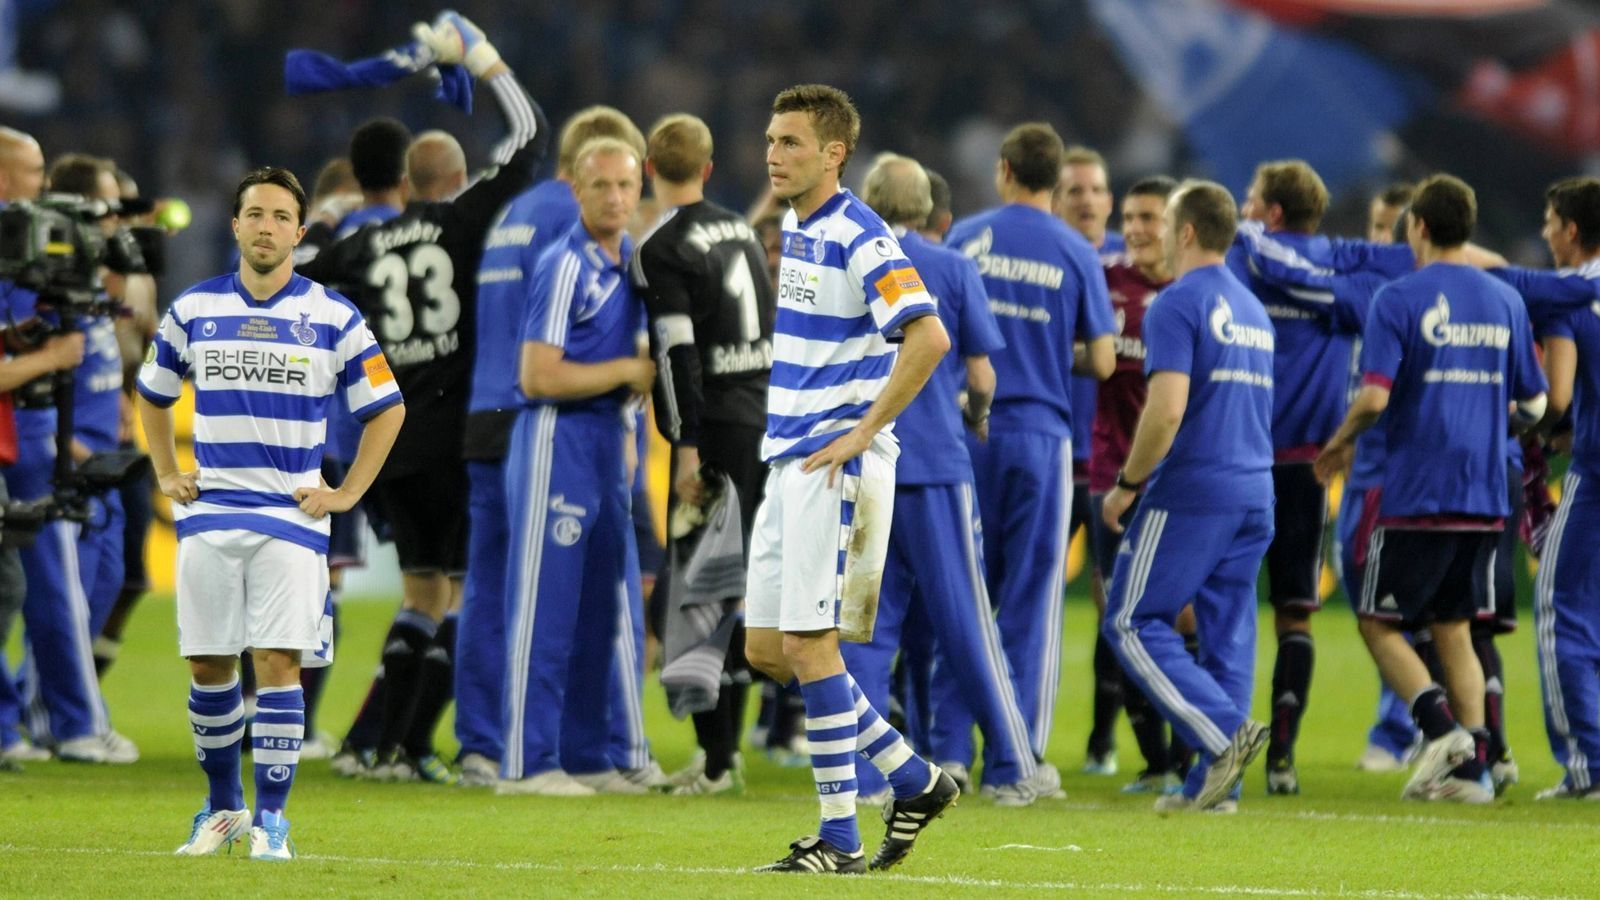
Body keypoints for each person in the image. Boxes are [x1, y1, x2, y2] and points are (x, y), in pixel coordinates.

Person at [299, 11, 548, 783]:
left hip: (390, 442)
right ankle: (408, 747)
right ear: (444, 181)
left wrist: (335, 210)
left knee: (418, 595)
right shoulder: (463, 223)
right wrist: (487, 65)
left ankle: (383, 749)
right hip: (458, 437)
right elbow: (529, 140)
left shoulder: (365, 241)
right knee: (461, 596)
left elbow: (299, 267)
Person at [138, 166, 405, 859]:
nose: (267, 227)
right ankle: (223, 808)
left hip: (291, 517)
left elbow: (387, 407)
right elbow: (153, 394)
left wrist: (345, 495)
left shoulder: (332, 316)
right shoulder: (193, 310)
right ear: (235, 225)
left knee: (277, 661)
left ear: (299, 229)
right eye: (255, 214)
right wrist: (167, 470)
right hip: (211, 514)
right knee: (208, 667)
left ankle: (274, 820)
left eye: (281, 217)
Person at [744, 83, 955, 874]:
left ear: (835, 154)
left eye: (791, 142)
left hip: (835, 466)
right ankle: (912, 777)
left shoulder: (858, 234)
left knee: (810, 643)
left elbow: (927, 337)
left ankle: (838, 840)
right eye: (770, 139)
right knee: (769, 647)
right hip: (789, 459)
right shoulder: (799, 230)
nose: (773, 153)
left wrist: (865, 431)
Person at [1315, 174, 1547, 804]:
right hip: (1484, 493)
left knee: (1376, 622)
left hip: (1419, 492)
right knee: (1453, 627)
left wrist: (1339, 443)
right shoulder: (1505, 301)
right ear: (1467, 229)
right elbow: (1536, 399)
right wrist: (1491, 419)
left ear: (1416, 226)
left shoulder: (1399, 297)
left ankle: (1442, 733)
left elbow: (1374, 396)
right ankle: (1474, 773)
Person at [459, 106, 655, 789]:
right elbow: (536, 374)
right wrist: (627, 374)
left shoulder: (629, 259)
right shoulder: (563, 261)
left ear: (640, 189)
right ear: (577, 189)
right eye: (601, 186)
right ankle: (526, 760)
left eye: (626, 187)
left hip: (608, 441)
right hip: (553, 437)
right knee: (544, 604)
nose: (615, 198)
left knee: (602, 608)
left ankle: (587, 755)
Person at [838, 151, 1041, 806]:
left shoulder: (849, 261)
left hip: (865, 469)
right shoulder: (952, 266)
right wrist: (975, 419)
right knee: (967, 624)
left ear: (868, 201)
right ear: (928, 209)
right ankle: (1011, 767)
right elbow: (981, 376)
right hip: (934, 467)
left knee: (865, 627)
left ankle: (868, 778)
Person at [939, 124, 1115, 788]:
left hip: (967, 431)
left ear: (1004, 170)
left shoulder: (967, 238)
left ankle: (950, 750)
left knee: (964, 591)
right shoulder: (1076, 251)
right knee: (1030, 599)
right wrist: (1046, 347)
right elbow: (1101, 358)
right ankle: (1015, 761)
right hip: (1042, 435)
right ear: (1057, 177)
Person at [1230, 160, 1413, 794]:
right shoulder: (1351, 276)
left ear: (1272, 213)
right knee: (1295, 616)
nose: (1245, 207)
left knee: (1210, 607)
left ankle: (1203, 748)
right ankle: (1281, 759)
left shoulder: (1239, 264)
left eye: (1252, 198)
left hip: (1237, 457)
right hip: (1310, 464)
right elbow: (1399, 265)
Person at [1100, 179, 1276, 814]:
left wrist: (1126, 485)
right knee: (1228, 631)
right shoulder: (1253, 311)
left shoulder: (1177, 304)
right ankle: (1214, 785)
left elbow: (1167, 411)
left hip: (1196, 487)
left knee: (1130, 619)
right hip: (1256, 488)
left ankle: (1224, 733)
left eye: (1168, 225)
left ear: (1189, 232)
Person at [630, 113, 773, 795]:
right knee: (735, 589)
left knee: (697, 596)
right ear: (709, 168)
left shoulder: (661, 247)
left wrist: (685, 448)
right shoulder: (741, 230)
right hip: (762, 419)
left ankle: (716, 763)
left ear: (648, 169)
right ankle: (726, 757)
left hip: (713, 428)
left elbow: (677, 354)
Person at [1489, 176, 1600, 798]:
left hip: (1598, 480)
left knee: (1563, 613)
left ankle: (1589, 768)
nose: (1544, 231)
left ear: (1574, 231)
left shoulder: (1576, 292)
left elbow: (1552, 399)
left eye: (1551, 220)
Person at [1088, 175, 1196, 795]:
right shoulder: (1106, 281)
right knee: (1116, 616)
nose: (1135, 228)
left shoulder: (1192, 291)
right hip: (1110, 474)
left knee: (1180, 616)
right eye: (1129, 217)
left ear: (1176, 225)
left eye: (1149, 217)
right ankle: (1153, 760)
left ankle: (1189, 754)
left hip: (1175, 482)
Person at [1055, 144, 1128, 776]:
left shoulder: (1133, 270)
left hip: (1110, 466)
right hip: (1050, 456)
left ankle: (1103, 739)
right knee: (1018, 596)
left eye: (1095, 188)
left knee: (1115, 604)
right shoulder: (1044, 261)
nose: (1086, 198)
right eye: (1073, 188)